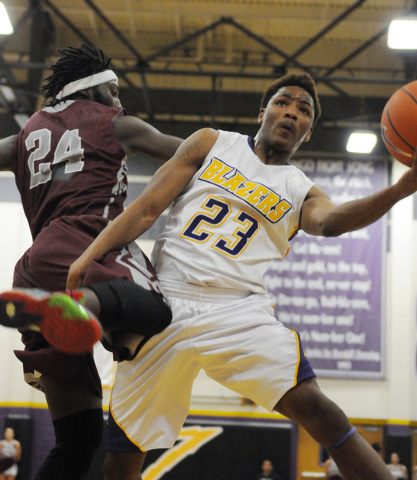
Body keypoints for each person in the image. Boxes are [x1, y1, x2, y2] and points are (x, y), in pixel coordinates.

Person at [35, 72, 417, 480]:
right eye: (283, 102)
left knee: (321, 410)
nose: (291, 112)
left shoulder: (300, 189)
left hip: (238, 310)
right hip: (167, 301)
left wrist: (400, 189)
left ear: (307, 132)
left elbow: (331, 223)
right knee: (122, 457)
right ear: (263, 111)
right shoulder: (212, 142)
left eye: (304, 111)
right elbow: (145, 209)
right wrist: (88, 255)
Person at [0, 44, 182, 480]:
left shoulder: (24, 137)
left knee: (78, 439)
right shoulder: (118, 124)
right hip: (88, 246)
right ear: (94, 90)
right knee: (158, 311)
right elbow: (196, 156)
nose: (120, 101)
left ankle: (59, 310)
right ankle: (82, 306)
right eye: (114, 90)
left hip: (33, 267)